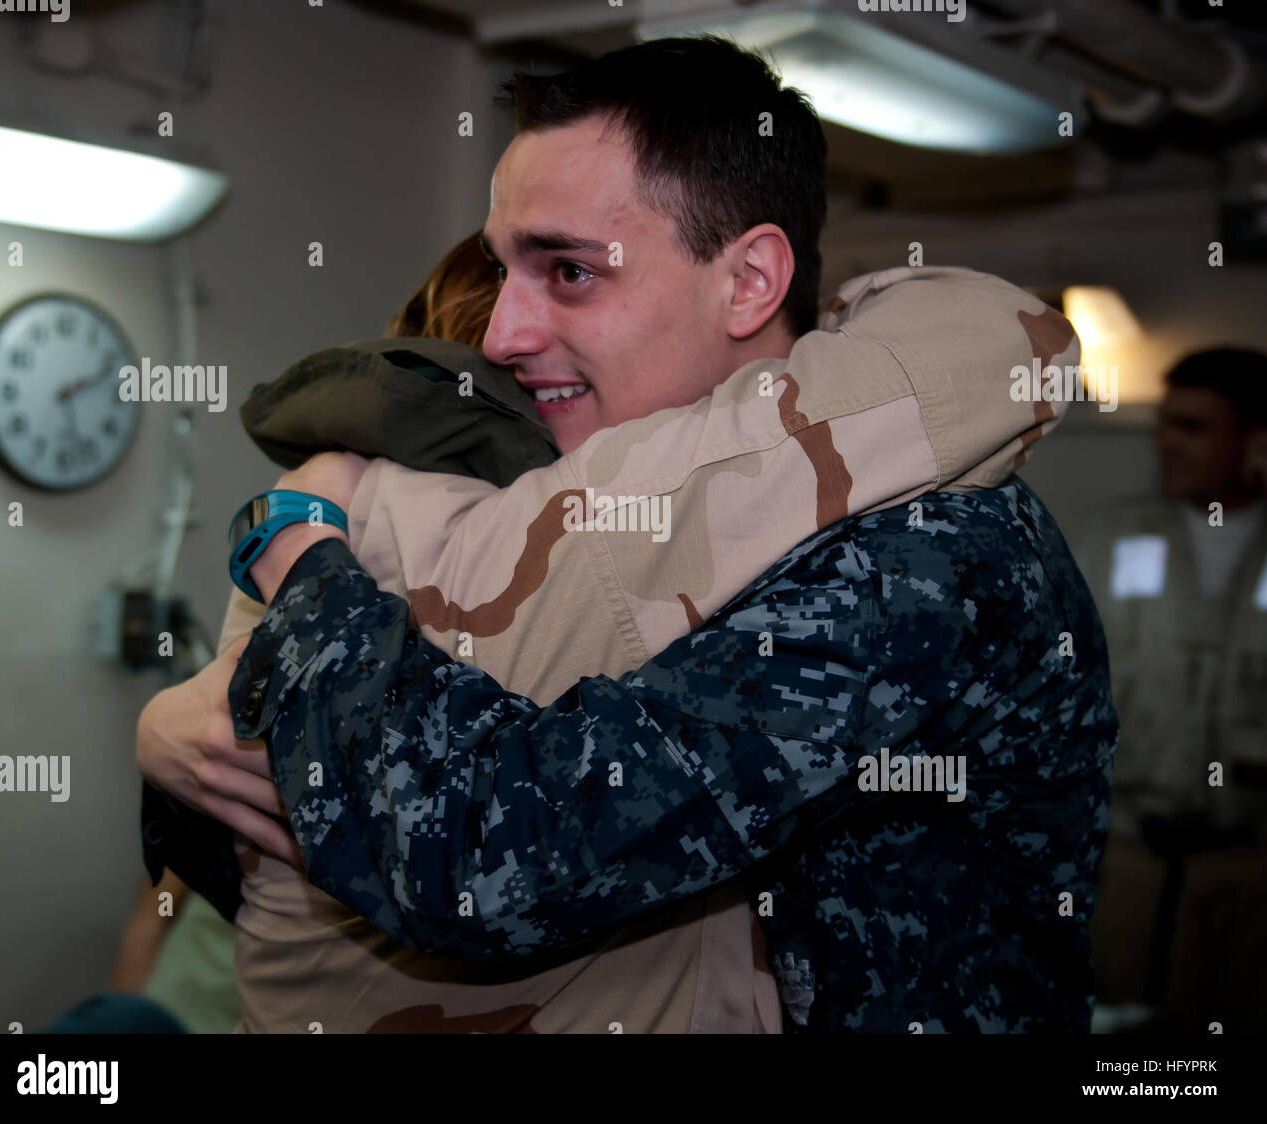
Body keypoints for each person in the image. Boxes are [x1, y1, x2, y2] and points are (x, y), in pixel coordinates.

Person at [137, 35, 1118, 1032]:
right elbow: (284, 875)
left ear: (747, 283)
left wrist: (302, 556)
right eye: (502, 268)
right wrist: (175, 755)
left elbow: (486, 864)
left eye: (567, 271)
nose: (499, 336)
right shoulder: (600, 508)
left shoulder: (918, 541)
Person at [1080, 347, 1267, 1031]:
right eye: (1165, 424)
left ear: (1255, 441)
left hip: (1247, 866)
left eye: (1193, 427)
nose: (1166, 443)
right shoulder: (1113, 538)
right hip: (1129, 857)